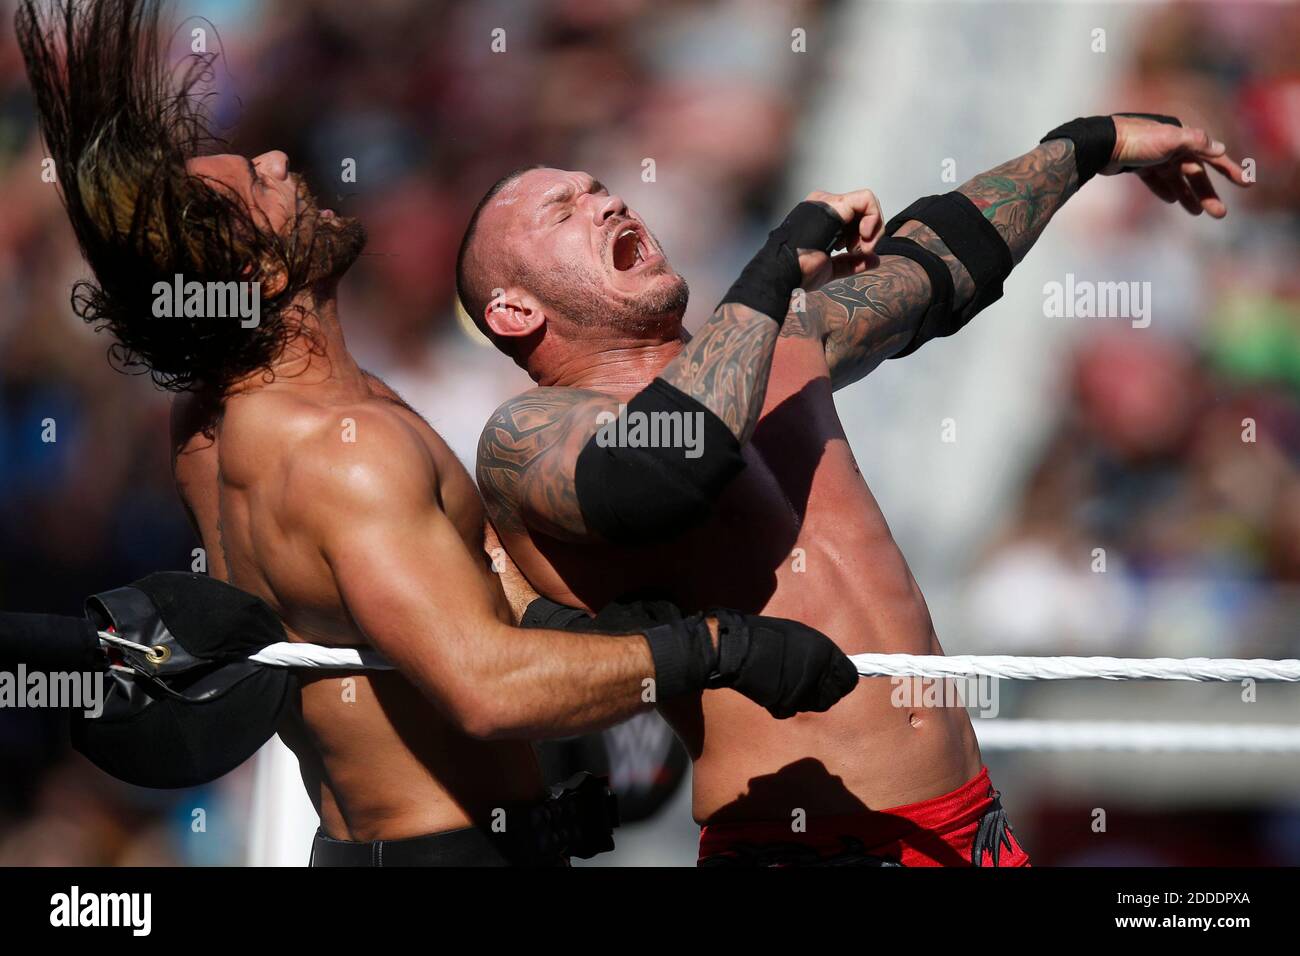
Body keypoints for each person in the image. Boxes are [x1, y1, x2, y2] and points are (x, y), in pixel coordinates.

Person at [14, 0, 858, 866]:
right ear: (259, 273)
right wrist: (715, 649)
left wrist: (590, 637)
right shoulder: (344, 451)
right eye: (257, 186)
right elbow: (486, 688)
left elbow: (423, 603)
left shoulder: (211, 421)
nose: (277, 158)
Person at [464, 113, 1249, 865]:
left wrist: (1088, 143)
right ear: (514, 308)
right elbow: (669, 467)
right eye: (564, 209)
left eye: (601, 186)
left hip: (968, 825)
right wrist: (774, 266)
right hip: (803, 846)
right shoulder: (528, 436)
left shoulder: (778, 346)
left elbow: (941, 260)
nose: (607, 200)